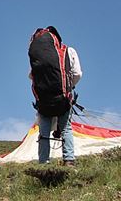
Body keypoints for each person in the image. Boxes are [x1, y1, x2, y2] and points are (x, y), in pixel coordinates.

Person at [29, 26, 82, 165]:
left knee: (44, 132)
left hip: (43, 101)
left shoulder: (38, 54)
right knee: (66, 128)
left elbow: (31, 75)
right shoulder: (68, 51)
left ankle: (43, 163)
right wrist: (70, 86)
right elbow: (78, 74)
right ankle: (69, 160)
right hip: (63, 98)